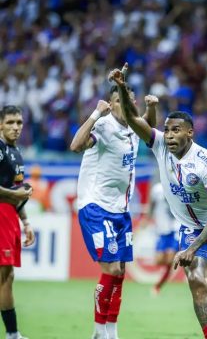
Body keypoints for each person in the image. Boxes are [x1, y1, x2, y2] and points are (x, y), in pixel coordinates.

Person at [108, 65, 207, 339]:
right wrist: (122, 88)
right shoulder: (159, 145)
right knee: (196, 281)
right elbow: (135, 121)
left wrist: (192, 248)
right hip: (190, 228)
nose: (168, 135)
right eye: (166, 130)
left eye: (176, 131)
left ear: (190, 133)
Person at [70, 83, 157, 339]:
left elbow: (149, 131)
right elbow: (76, 146)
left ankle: (111, 331)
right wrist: (95, 113)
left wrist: (152, 108)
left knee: (120, 272)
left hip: (121, 210)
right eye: (118, 102)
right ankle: (98, 332)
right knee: (109, 270)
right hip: (96, 206)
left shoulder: (132, 125)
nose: (124, 107)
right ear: (111, 104)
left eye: (129, 102)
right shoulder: (104, 125)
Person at [0, 105, 35, 339]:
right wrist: (16, 195)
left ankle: (13, 333)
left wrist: (26, 222)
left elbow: (17, 190)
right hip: (1, 213)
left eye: (19, 122)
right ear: (0, 124)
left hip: (10, 215)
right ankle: (13, 334)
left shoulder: (17, 153)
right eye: (11, 122)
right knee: (4, 276)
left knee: (7, 275)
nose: (16, 127)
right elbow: (14, 194)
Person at [148, 180, 179, 295]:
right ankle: (160, 283)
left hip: (176, 228)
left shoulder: (178, 186)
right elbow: (151, 205)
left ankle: (158, 286)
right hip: (162, 229)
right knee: (159, 260)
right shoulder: (156, 189)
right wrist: (147, 219)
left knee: (170, 259)